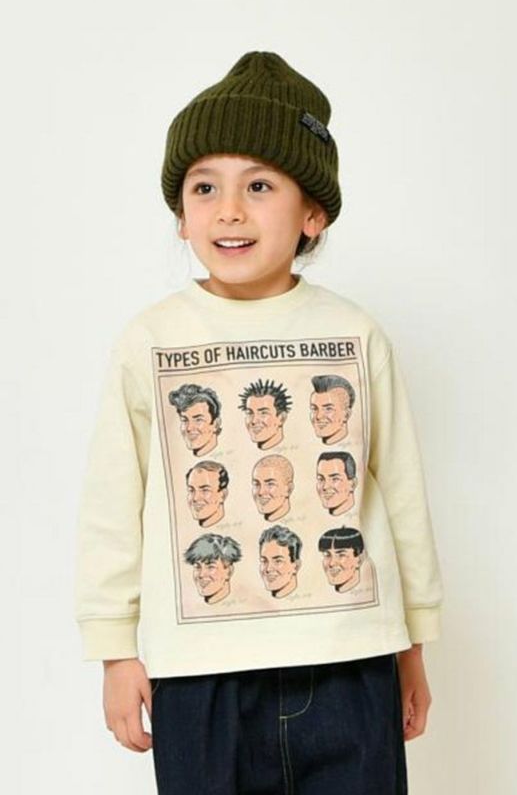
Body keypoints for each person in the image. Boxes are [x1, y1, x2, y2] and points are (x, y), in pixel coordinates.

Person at [74, 50, 444, 794]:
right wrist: (115, 649)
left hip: (349, 660)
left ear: (313, 214)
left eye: (260, 185)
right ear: (181, 214)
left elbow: (400, 489)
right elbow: (113, 502)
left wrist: (412, 641)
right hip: (200, 674)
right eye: (204, 187)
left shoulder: (355, 333)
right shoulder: (151, 340)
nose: (229, 210)